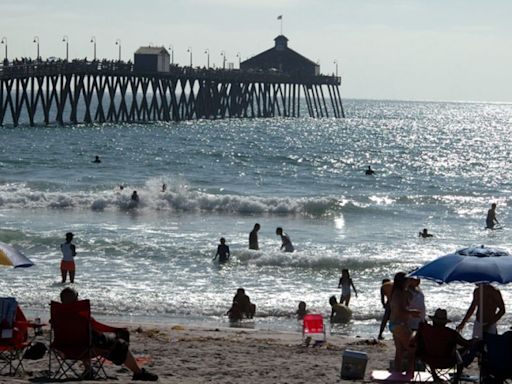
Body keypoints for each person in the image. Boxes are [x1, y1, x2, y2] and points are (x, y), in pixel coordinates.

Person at [59, 288, 158, 381]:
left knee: (84, 339)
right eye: (77, 297)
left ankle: (88, 370)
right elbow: (99, 327)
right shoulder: (82, 315)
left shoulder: (58, 314)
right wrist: (116, 329)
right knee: (120, 343)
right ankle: (138, 373)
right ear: (76, 300)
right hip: (87, 350)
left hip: (65, 350)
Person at [415, 308, 477, 383]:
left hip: (429, 360)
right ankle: (456, 380)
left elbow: (417, 339)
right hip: (448, 361)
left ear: (434, 320)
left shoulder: (426, 330)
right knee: (458, 354)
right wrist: (475, 340)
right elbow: (466, 343)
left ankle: (435, 376)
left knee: (431, 349)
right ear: (445, 322)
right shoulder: (451, 333)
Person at [389, 272, 420, 376]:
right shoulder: (398, 294)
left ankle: (397, 374)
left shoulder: (398, 292)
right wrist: (412, 312)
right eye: (407, 280)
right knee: (412, 349)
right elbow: (400, 311)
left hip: (396, 324)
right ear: (403, 281)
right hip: (400, 324)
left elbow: (402, 307)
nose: (409, 282)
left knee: (400, 352)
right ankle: (410, 373)